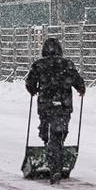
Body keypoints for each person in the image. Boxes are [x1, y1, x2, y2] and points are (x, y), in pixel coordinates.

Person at [25, 37, 87, 182]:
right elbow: (78, 81)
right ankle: (57, 153)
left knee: (46, 131)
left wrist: (33, 90)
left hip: (46, 104)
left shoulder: (39, 65)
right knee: (60, 132)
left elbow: (30, 83)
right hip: (64, 105)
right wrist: (81, 89)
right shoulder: (67, 64)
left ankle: (51, 153)